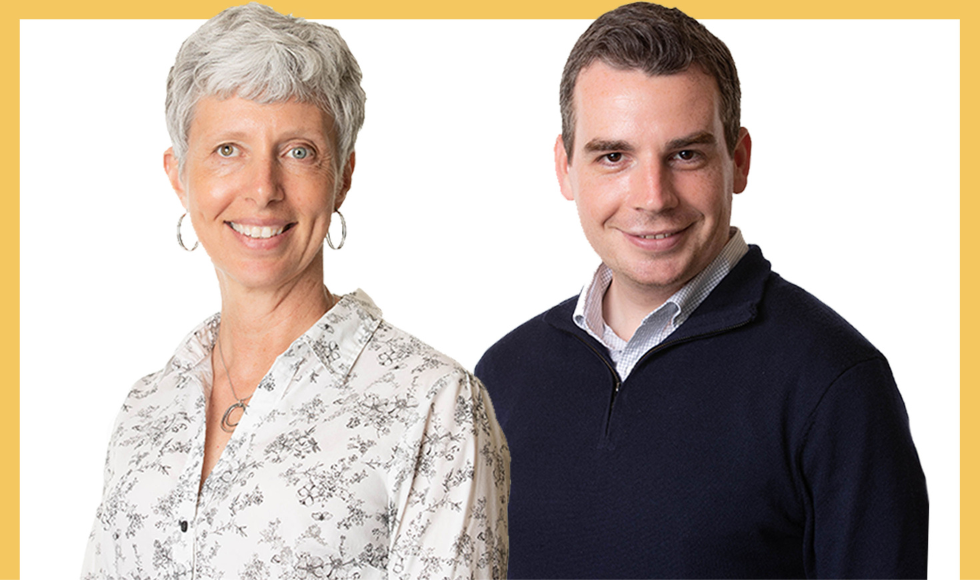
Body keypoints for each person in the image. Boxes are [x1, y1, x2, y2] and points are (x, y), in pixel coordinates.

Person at [475, 3, 927, 578]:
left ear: (737, 160)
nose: (653, 197)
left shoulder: (836, 385)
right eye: (613, 156)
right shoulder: (502, 377)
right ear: (565, 168)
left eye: (686, 154)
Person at [81, 4, 509, 578]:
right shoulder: (145, 410)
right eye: (227, 149)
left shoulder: (432, 405)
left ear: (343, 178)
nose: (263, 189)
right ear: (178, 176)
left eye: (298, 151)